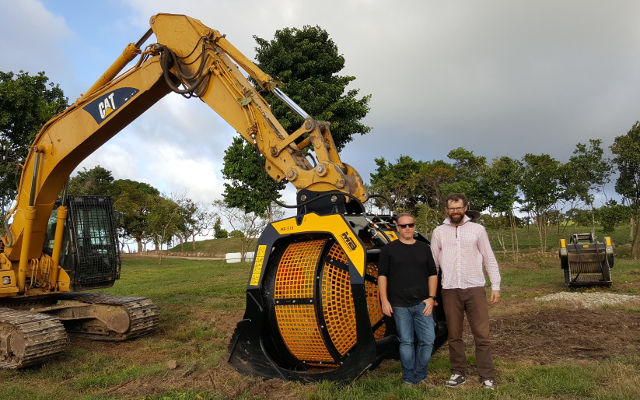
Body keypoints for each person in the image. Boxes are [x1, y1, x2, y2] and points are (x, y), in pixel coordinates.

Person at [430, 193, 501, 390]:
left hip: (475, 288)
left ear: (465, 207)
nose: (455, 212)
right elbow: (433, 265)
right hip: (450, 290)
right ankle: (457, 372)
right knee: (454, 335)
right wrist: (432, 294)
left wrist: (496, 285)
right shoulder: (438, 232)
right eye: (451, 209)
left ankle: (487, 376)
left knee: (482, 335)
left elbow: (489, 258)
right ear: (446, 210)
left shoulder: (477, 230)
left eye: (458, 208)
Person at [378, 213, 438, 385]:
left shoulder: (424, 248)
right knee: (406, 342)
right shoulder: (388, 250)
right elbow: (382, 276)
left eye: (410, 225)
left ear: (414, 226)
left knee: (427, 341)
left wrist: (431, 298)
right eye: (403, 226)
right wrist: (385, 300)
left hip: (422, 304)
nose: (407, 229)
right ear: (397, 227)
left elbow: (432, 274)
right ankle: (408, 378)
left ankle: (420, 375)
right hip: (399, 305)